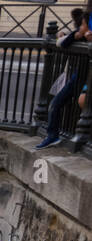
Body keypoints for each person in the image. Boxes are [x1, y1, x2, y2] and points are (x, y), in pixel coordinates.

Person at [36, 11, 89, 149]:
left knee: (57, 103)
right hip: (78, 75)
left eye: (83, 24)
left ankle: (55, 136)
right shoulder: (81, 36)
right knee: (56, 103)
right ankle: (54, 135)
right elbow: (63, 42)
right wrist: (72, 34)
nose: (80, 27)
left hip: (81, 76)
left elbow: (63, 43)